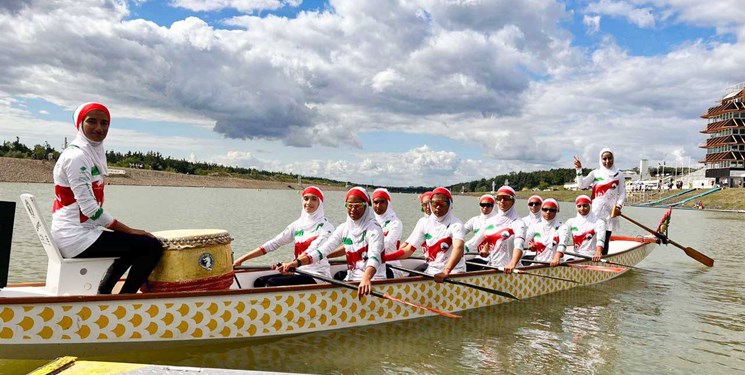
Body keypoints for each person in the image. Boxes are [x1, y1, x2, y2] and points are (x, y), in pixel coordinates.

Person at [51, 102, 163, 294]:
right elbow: (90, 210)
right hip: (75, 238)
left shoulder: (89, 152)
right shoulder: (77, 158)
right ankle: (125, 300)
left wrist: (127, 233)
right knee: (151, 246)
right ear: (80, 124)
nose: (99, 128)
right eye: (91, 122)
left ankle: (104, 293)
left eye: (105, 123)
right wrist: (129, 229)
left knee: (131, 243)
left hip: (77, 232)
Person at [277, 187, 385, 299]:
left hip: (373, 280)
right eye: (349, 205)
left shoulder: (374, 230)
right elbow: (322, 251)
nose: (353, 209)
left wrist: (366, 278)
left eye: (357, 205)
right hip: (351, 280)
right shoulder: (344, 228)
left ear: (366, 206)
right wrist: (296, 263)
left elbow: (374, 257)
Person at [233, 186, 334, 287]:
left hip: (318, 276)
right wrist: (241, 259)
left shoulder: (326, 227)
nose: (308, 202)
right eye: (306, 198)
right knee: (259, 282)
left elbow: (313, 250)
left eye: (314, 199)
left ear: (320, 203)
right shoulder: (297, 225)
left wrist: (291, 264)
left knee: (272, 283)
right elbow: (274, 243)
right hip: (298, 271)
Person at [384, 187, 466, 280]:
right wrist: (383, 258)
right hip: (432, 270)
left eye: (442, 203)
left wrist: (446, 271)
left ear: (450, 204)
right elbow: (408, 250)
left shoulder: (456, 224)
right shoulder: (424, 223)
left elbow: (458, 248)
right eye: (435, 203)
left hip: (454, 271)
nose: (438, 207)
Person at [573, 148, 626, 255]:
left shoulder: (619, 175)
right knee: (591, 236)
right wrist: (579, 170)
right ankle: (586, 257)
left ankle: (602, 259)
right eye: (604, 159)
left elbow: (622, 193)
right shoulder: (595, 173)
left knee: (605, 238)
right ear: (600, 159)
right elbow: (581, 185)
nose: (607, 161)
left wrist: (619, 207)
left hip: (610, 213)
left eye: (610, 158)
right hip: (594, 212)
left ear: (613, 158)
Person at [466, 186, 526, 273]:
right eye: (499, 198)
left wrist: (512, 263)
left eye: (506, 198)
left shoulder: (519, 223)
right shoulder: (490, 221)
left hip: (511, 270)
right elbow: (473, 242)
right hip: (492, 268)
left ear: (513, 201)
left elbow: (519, 245)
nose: (502, 201)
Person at [371, 188, 405, 279]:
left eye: (382, 202)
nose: (378, 205)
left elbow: (385, 244)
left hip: (391, 265)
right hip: (369, 263)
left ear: (388, 203)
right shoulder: (369, 222)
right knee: (340, 275)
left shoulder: (395, 223)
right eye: (376, 202)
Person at [560, 195, 606, 262]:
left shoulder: (599, 222)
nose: (582, 209)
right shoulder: (570, 221)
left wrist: (598, 252)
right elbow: (564, 237)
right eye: (579, 206)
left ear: (590, 206)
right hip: (576, 255)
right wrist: (559, 253)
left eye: (585, 206)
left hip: (592, 256)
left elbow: (600, 238)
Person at [525, 199, 565, 267]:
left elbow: (563, 243)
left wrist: (557, 256)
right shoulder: (535, 227)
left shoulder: (563, 227)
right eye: (545, 209)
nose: (548, 212)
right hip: (537, 263)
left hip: (556, 264)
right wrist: (529, 244)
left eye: (552, 210)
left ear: (556, 211)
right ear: (541, 210)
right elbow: (523, 239)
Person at [463, 194, 496, 271]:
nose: (485, 207)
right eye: (482, 205)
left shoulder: (497, 221)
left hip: (491, 257)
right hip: (477, 255)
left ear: (493, 206)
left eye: (489, 205)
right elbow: (460, 232)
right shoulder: (474, 220)